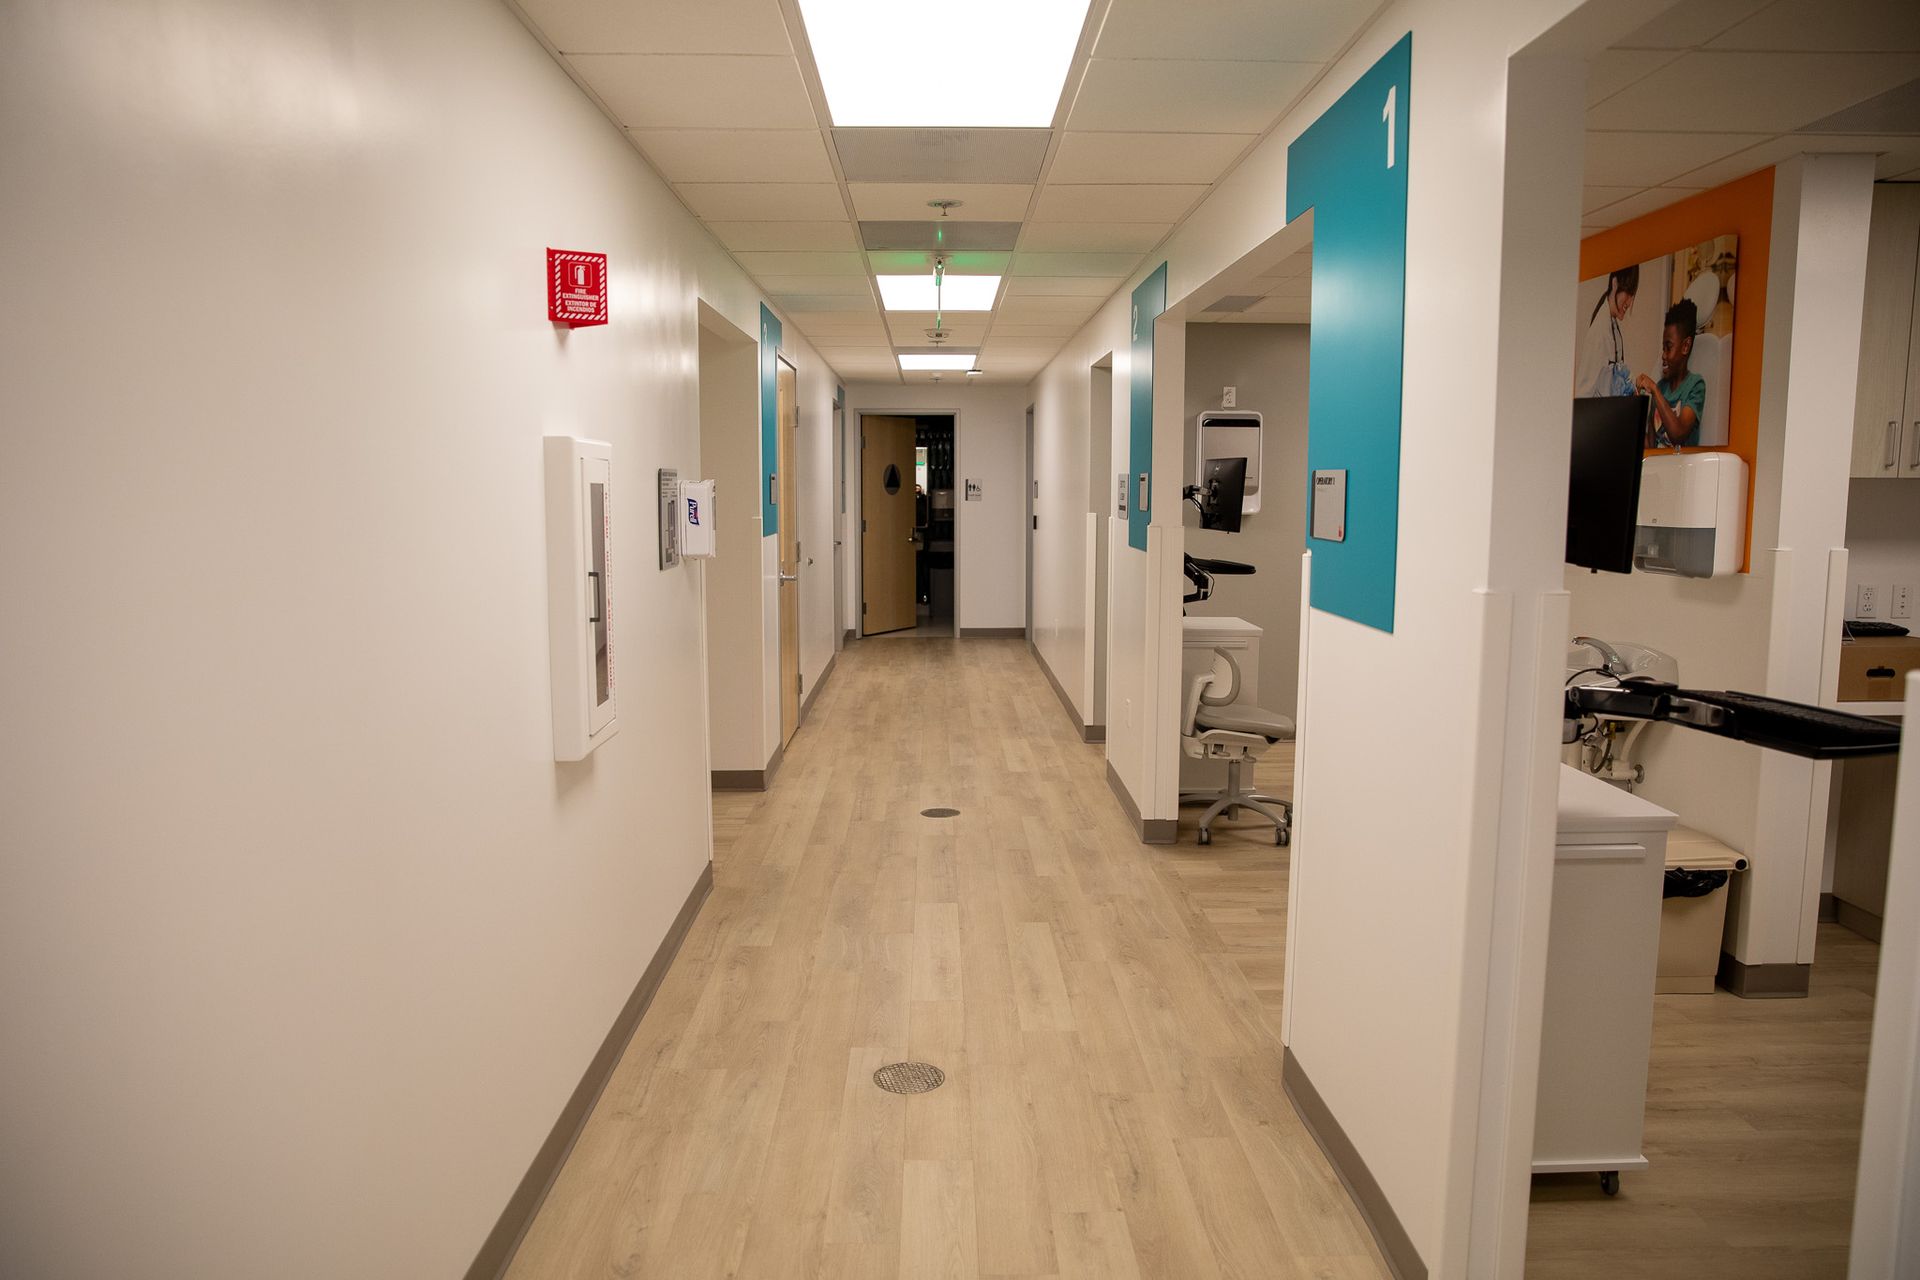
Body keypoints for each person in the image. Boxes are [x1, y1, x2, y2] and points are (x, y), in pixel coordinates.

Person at [1637, 298, 1705, 448]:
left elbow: (1678, 434)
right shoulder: (1661, 387)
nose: (1663, 355)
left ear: (1685, 346)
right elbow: (1650, 445)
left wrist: (1654, 390)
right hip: (1658, 469)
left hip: (1680, 469)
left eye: (1668, 347)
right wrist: (1634, 415)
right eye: (1663, 348)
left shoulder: (1695, 386)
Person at [1575, 264, 1639, 397]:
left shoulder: (1612, 325)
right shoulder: (1600, 332)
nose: (1629, 302)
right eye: (1628, 292)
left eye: (1632, 295)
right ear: (1614, 283)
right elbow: (1583, 394)